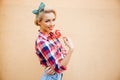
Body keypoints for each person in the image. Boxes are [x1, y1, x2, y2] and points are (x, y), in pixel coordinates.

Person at [32, 2, 74, 80]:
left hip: (56, 76)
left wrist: (58, 64)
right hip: (50, 77)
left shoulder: (51, 35)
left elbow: (63, 53)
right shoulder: (42, 42)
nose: (52, 24)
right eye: (47, 21)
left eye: (53, 20)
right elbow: (59, 68)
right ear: (39, 22)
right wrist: (71, 50)